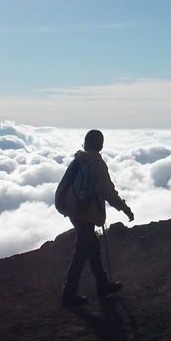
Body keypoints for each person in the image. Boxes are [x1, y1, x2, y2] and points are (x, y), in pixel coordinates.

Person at [60, 129, 134, 307]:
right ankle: (69, 293)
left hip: (74, 211)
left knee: (92, 248)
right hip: (85, 213)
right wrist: (125, 208)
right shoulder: (97, 164)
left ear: (85, 144)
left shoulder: (78, 160)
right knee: (83, 251)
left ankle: (102, 285)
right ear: (100, 146)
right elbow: (108, 191)